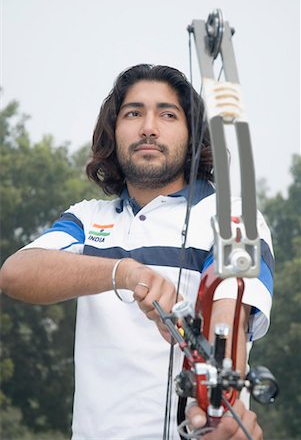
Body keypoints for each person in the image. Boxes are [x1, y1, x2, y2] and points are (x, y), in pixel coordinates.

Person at [0, 64, 273, 440]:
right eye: (133, 113)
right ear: (113, 131)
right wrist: (125, 272)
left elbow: (230, 319)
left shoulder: (231, 218)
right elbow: (16, 273)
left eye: (167, 114)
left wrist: (214, 403)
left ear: (193, 134)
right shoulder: (87, 218)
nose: (149, 127)